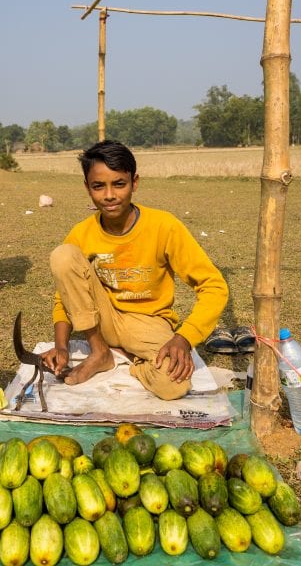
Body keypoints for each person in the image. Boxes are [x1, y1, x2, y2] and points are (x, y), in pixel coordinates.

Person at [41, 140, 229, 400]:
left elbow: (214, 287)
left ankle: (129, 360)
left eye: (119, 184)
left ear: (134, 183)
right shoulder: (81, 233)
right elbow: (65, 297)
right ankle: (100, 352)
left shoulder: (164, 226)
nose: (109, 195)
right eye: (98, 186)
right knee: (63, 256)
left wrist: (184, 339)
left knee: (173, 385)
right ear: (87, 188)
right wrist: (60, 346)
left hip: (148, 323)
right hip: (101, 320)